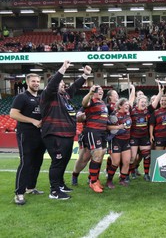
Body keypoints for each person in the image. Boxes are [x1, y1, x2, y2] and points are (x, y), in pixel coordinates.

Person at [40, 60, 92, 200]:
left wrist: (85, 76)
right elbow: (52, 85)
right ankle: (54, 191)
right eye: (61, 84)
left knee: (63, 161)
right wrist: (63, 69)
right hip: (54, 134)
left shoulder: (64, 96)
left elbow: (74, 88)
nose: (64, 86)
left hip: (67, 134)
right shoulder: (49, 95)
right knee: (57, 162)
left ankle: (60, 185)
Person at [10, 73, 46, 205]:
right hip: (26, 134)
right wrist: (32, 121)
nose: (36, 83)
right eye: (33, 81)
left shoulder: (41, 97)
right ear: (27, 82)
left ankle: (30, 188)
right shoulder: (22, 97)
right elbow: (13, 114)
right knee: (26, 163)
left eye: (38, 81)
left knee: (37, 162)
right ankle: (19, 193)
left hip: (40, 135)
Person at [81, 85, 109, 193]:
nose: (101, 91)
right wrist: (90, 93)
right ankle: (92, 182)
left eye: (102, 90)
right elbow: (84, 103)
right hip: (93, 131)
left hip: (102, 132)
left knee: (100, 155)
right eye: (98, 90)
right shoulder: (91, 100)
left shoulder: (102, 103)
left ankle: (95, 179)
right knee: (96, 154)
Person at [106, 98, 132, 188]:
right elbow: (108, 127)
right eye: (125, 105)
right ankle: (109, 181)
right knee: (116, 162)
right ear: (120, 106)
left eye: (128, 105)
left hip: (126, 140)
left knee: (127, 161)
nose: (127, 106)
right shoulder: (114, 115)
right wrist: (118, 127)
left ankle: (122, 180)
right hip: (116, 140)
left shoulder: (128, 113)